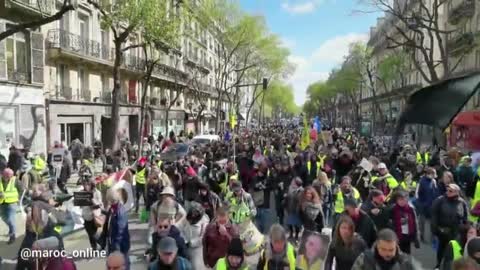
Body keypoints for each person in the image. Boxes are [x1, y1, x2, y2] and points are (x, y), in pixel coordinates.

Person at [432, 183, 469, 268]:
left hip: (456, 233)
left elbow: (465, 217)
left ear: (457, 192)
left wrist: (465, 229)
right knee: (441, 250)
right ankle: (438, 265)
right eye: (447, 190)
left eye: (451, 191)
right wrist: (436, 230)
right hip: (443, 231)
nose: (448, 192)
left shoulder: (462, 202)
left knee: (452, 252)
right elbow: (434, 216)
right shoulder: (440, 200)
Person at [351, 228, 422, 270]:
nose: (387, 254)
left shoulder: (407, 262)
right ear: (377, 245)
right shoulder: (364, 258)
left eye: (391, 250)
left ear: (396, 246)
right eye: (383, 249)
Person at [99, 188, 130, 270]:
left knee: (121, 265)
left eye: (108, 200)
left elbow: (120, 231)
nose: (108, 202)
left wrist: (116, 249)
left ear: (111, 200)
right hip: (113, 245)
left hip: (120, 246)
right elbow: (108, 221)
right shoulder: (113, 209)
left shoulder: (120, 211)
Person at [182, 202, 209, 270]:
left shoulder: (204, 223)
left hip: (197, 249)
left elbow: (203, 238)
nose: (194, 214)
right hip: (185, 245)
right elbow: (180, 228)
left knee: (195, 267)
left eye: (196, 213)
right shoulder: (186, 217)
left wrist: (191, 243)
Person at [416, 166, 439, 243]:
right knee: (422, 223)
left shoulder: (433, 181)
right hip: (423, 205)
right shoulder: (421, 182)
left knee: (432, 223)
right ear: (428, 174)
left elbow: (435, 192)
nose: (434, 176)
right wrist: (421, 204)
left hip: (431, 205)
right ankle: (421, 236)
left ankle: (432, 237)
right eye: (433, 174)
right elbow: (417, 194)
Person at [0, 168, 23, 244]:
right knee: (4, 218)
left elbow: (22, 190)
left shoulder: (15, 180)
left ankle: (12, 236)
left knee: (10, 219)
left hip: (12, 203)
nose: (9, 178)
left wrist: (18, 198)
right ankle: (11, 228)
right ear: (3, 175)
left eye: (10, 176)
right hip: (2, 202)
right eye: (7, 176)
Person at [81, 178, 103, 250]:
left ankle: (101, 244)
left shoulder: (97, 192)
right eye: (84, 184)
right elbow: (80, 206)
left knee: (93, 233)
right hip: (86, 216)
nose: (85, 186)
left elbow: (100, 204)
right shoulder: (82, 193)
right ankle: (94, 247)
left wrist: (92, 201)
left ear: (91, 185)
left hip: (94, 216)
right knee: (90, 233)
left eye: (87, 184)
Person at [285, 177, 303, 242]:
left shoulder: (301, 191)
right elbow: (288, 197)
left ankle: (297, 235)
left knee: (296, 224)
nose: (292, 182)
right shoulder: (290, 188)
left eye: (293, 181)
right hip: (290, 208)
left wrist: (298, 209)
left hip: (296, 210)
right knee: (289, 223)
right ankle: (291, 234)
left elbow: (300, 201)